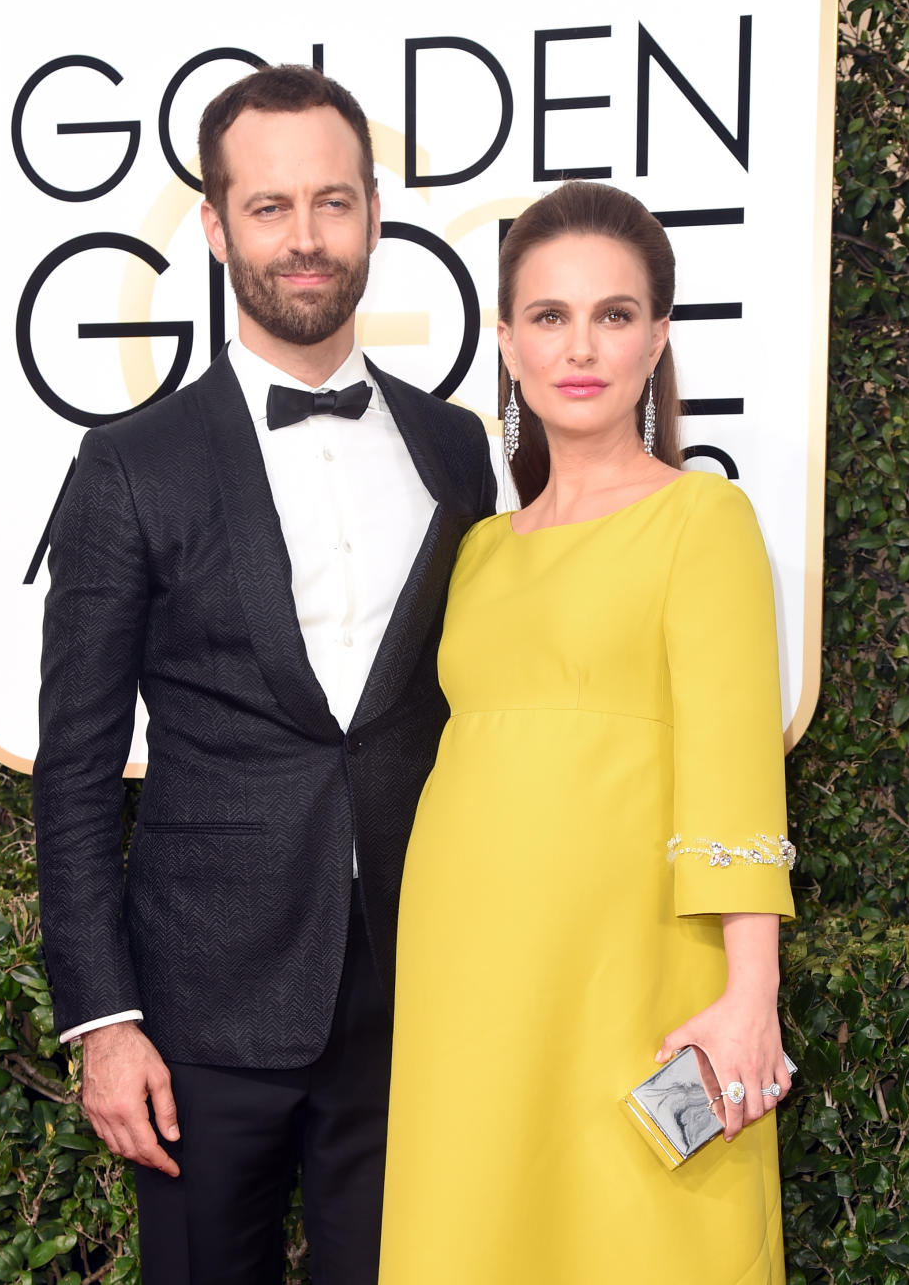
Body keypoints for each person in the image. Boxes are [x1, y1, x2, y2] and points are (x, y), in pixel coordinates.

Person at [33, 64, 495, 1285]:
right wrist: (104, 1018)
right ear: (217, 224)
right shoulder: (132, 462)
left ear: (375, 216)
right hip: (198, 1012)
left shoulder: (459, 448)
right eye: (271, 205)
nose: (306, 237)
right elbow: (75, 763)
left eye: (333, 203)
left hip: (412, 991)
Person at [378, 180, 796, 1283]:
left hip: (634, 965)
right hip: (468, 968)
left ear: (657, 338)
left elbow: (734, 766)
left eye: (614, 315)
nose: (582, 345)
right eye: (551, 316)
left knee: (642, 1235)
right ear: (508, 342)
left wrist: (750, 992)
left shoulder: (703, 519)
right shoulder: (478, 552)